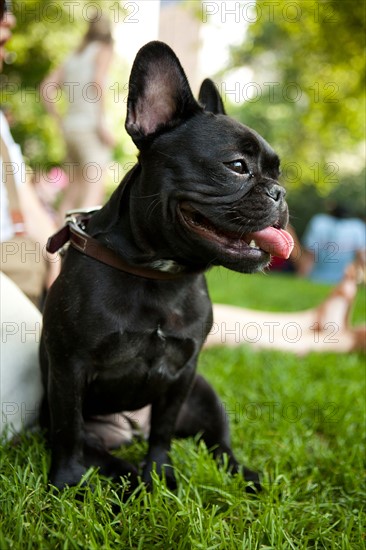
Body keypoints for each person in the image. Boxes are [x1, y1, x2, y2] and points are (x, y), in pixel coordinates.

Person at [40, 12, 116, 222]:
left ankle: (52, 244)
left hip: (71, 129)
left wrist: (59, 120)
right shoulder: (104, 50)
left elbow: (46, 89)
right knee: (93, 192)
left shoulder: (73, 56)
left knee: (71, 193)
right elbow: (97, 83)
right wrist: (102, 125)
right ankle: (78, 250)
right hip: (90, 129)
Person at [300, 204, 366, 284]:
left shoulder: (319, 223)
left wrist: (301, 278)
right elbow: (362, 259)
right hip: (343, 281)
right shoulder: (357, 227)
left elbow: (309, 256)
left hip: (316, 279)